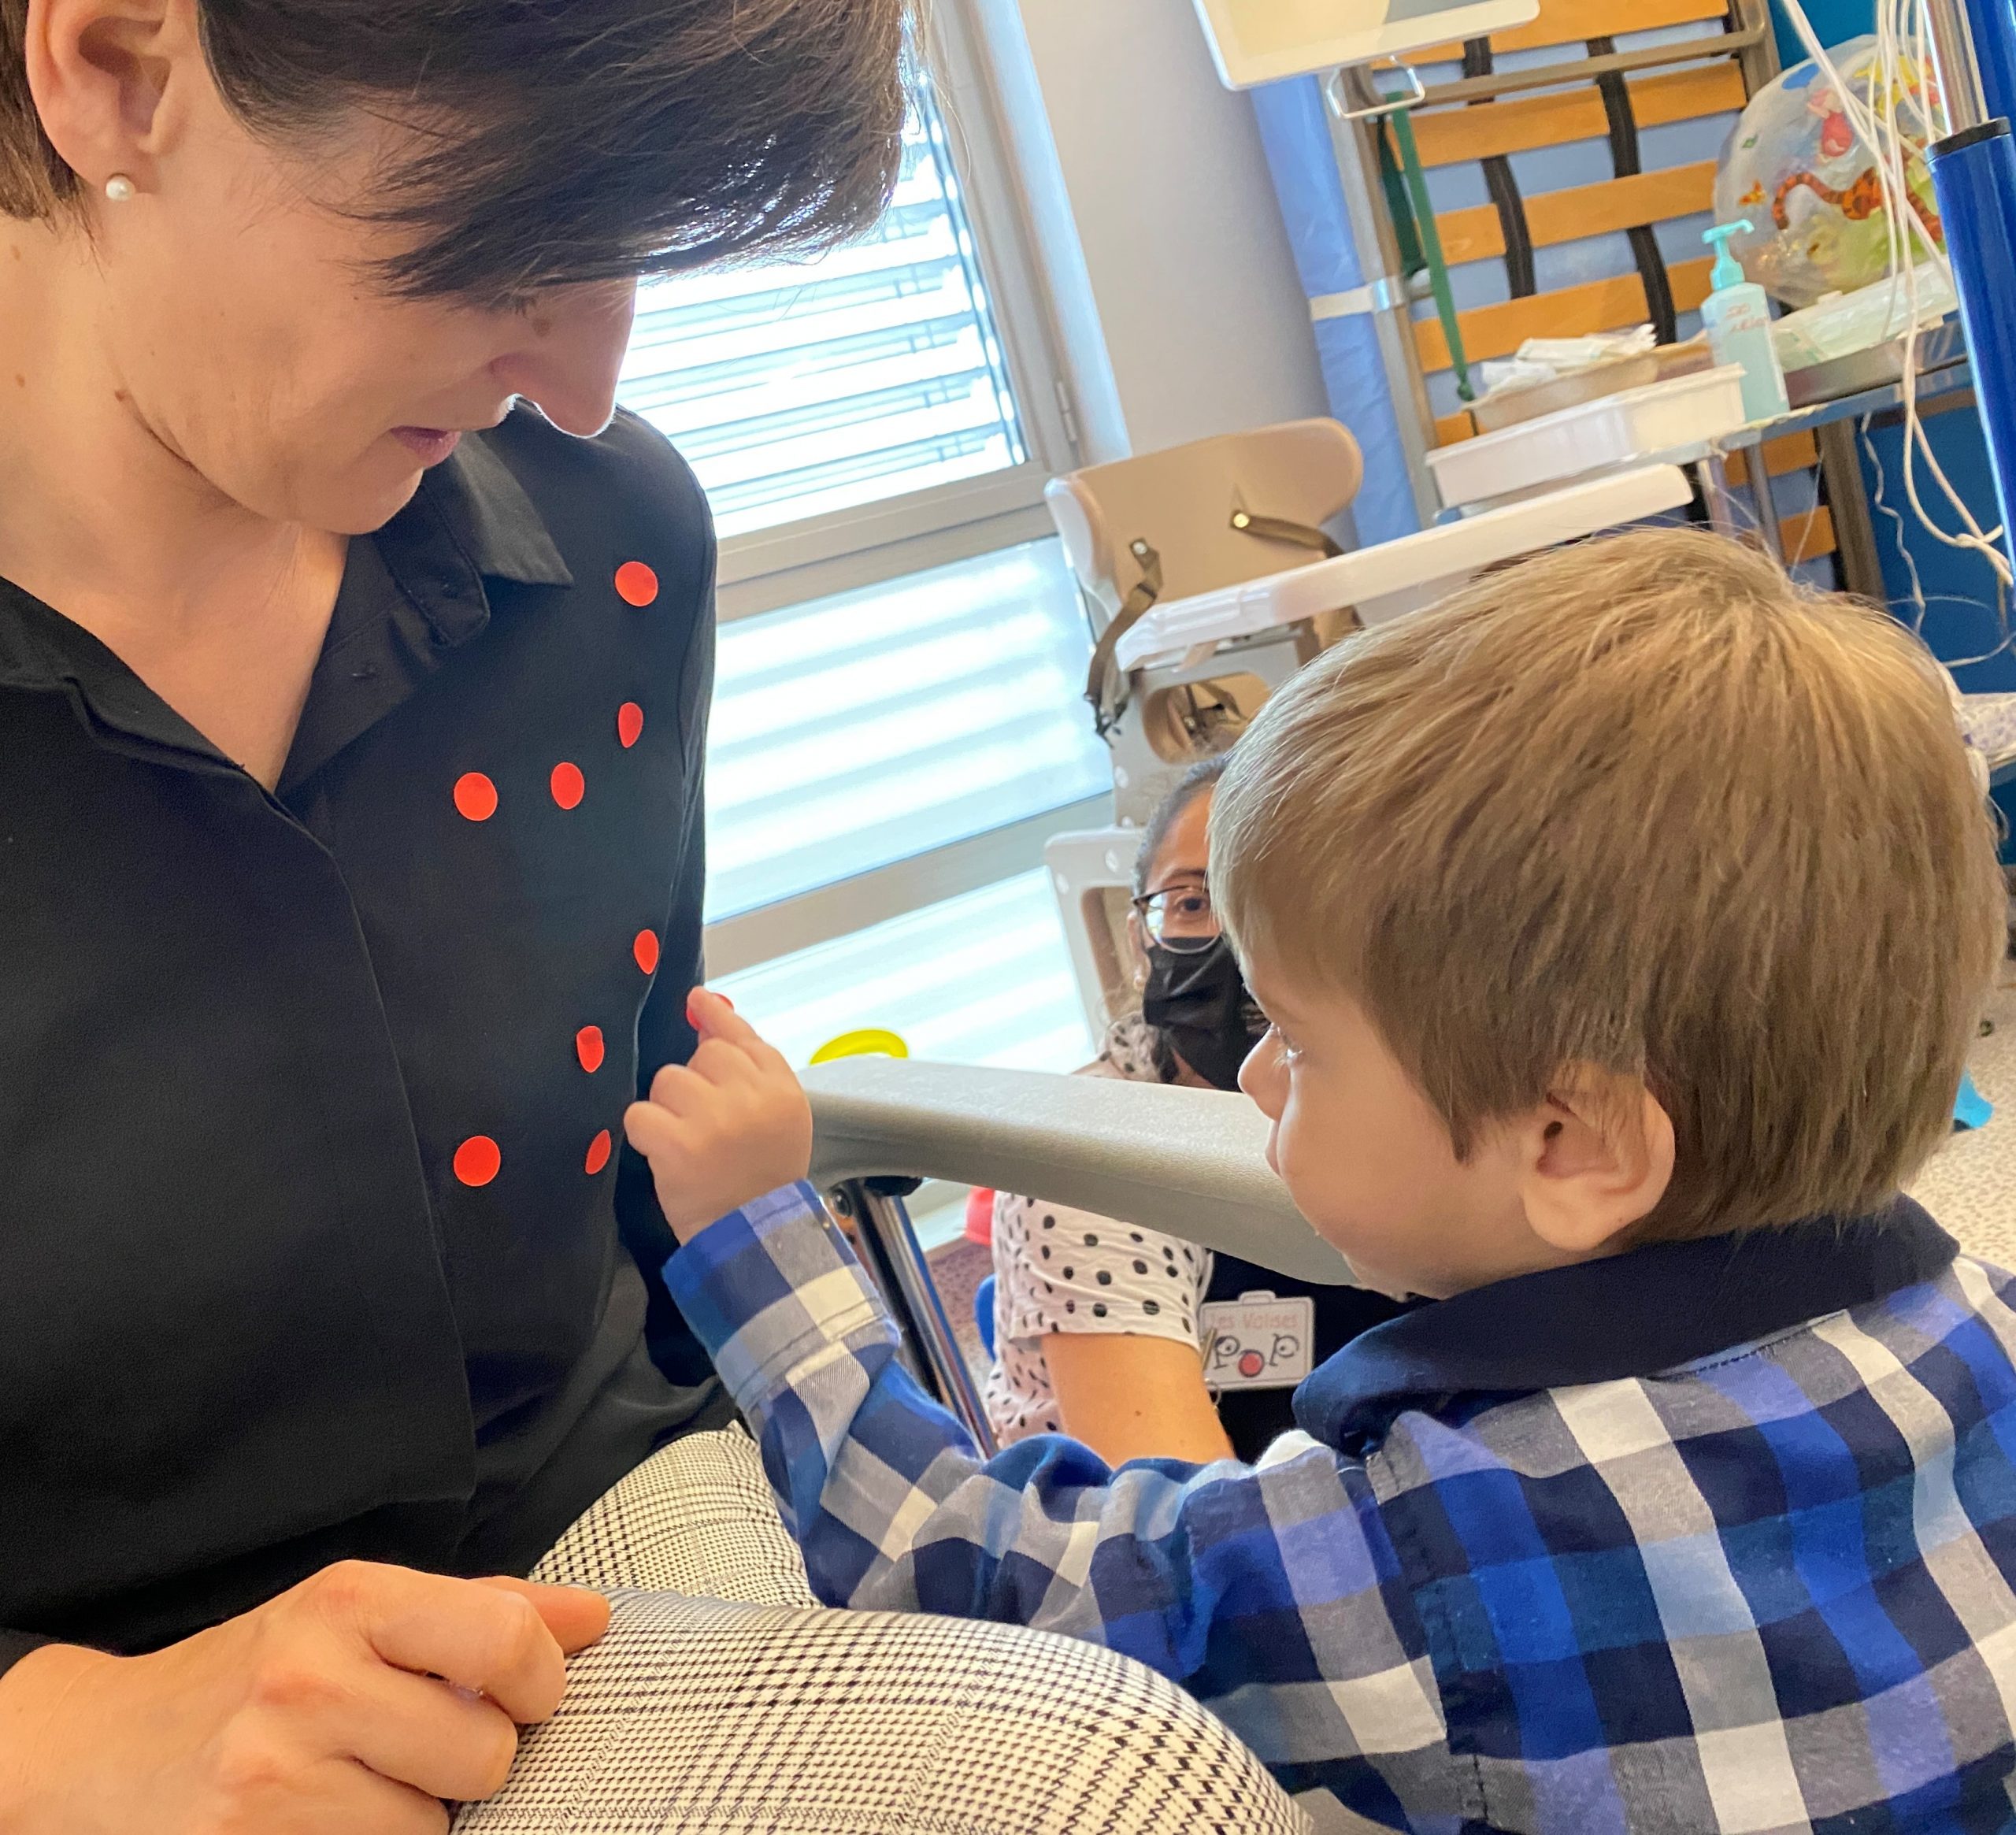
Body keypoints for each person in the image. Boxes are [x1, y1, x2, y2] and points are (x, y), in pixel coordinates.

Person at [627, 527, 2016, 1829]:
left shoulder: (1420, 1553)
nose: (1253, 1078)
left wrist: (755, 1229)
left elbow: (944, 1563)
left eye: (1297, 1037)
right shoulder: (1993, 1327)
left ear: (1575, 1147)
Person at [0, 0, 906, 1826]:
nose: (577, 382)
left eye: (631, 252)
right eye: (517, 239)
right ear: (117, 65)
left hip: (585, 1548)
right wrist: (59, 1748)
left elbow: (628, 1190)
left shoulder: (606, 534)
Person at [985, 754, 1409, 1463]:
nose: (1237, 939)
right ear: (1137, 942)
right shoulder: (1087, 1165)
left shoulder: (1409, 1100)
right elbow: (1187, 1538)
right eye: (1192, 901)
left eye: (1280, 897)